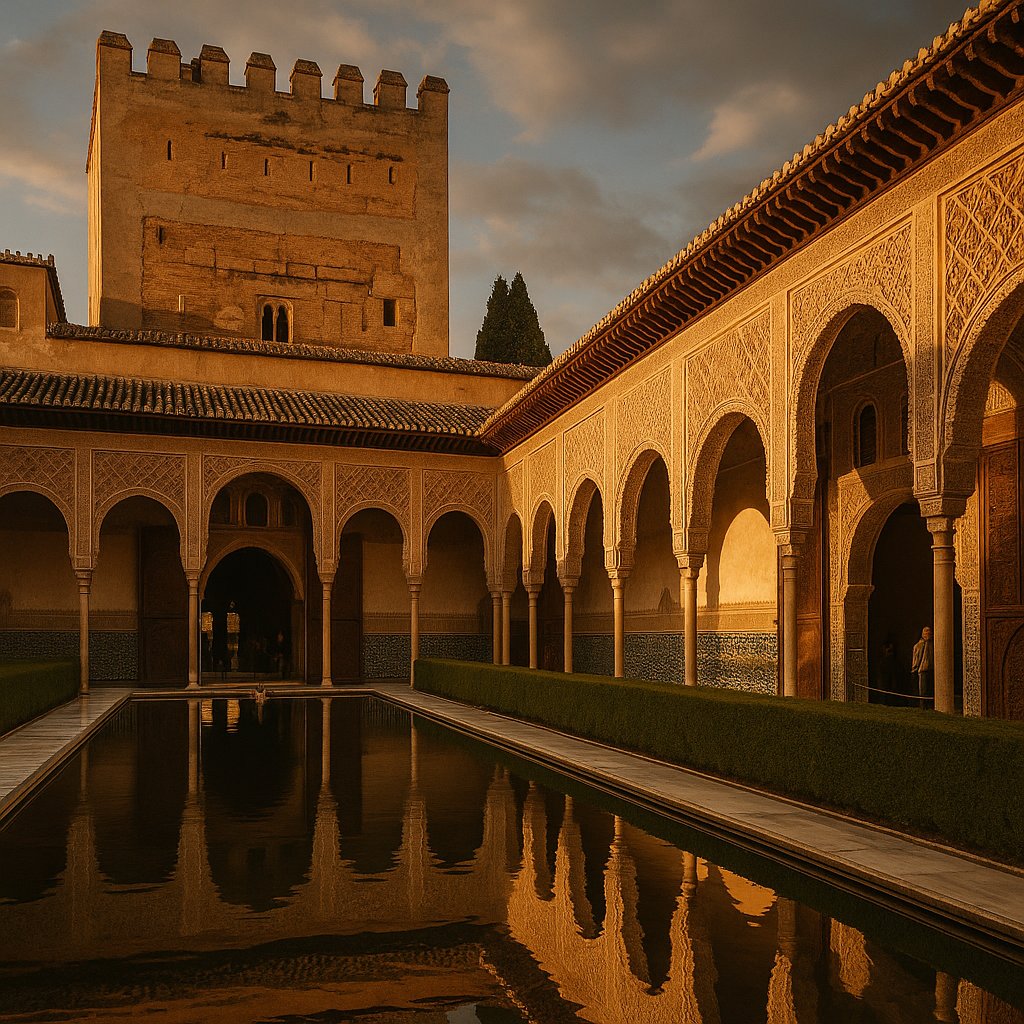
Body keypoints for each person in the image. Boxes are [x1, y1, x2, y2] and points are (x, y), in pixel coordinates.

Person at [911, 626, 934, 707]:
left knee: (930, 690)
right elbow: (916, 659)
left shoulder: (933, 645)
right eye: (926, 632)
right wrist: (914, 669)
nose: (928, 633)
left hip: (931, 670)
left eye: (929, 632)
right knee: (923, 691)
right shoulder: (918, 645)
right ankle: (922, 706)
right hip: (922, 670)